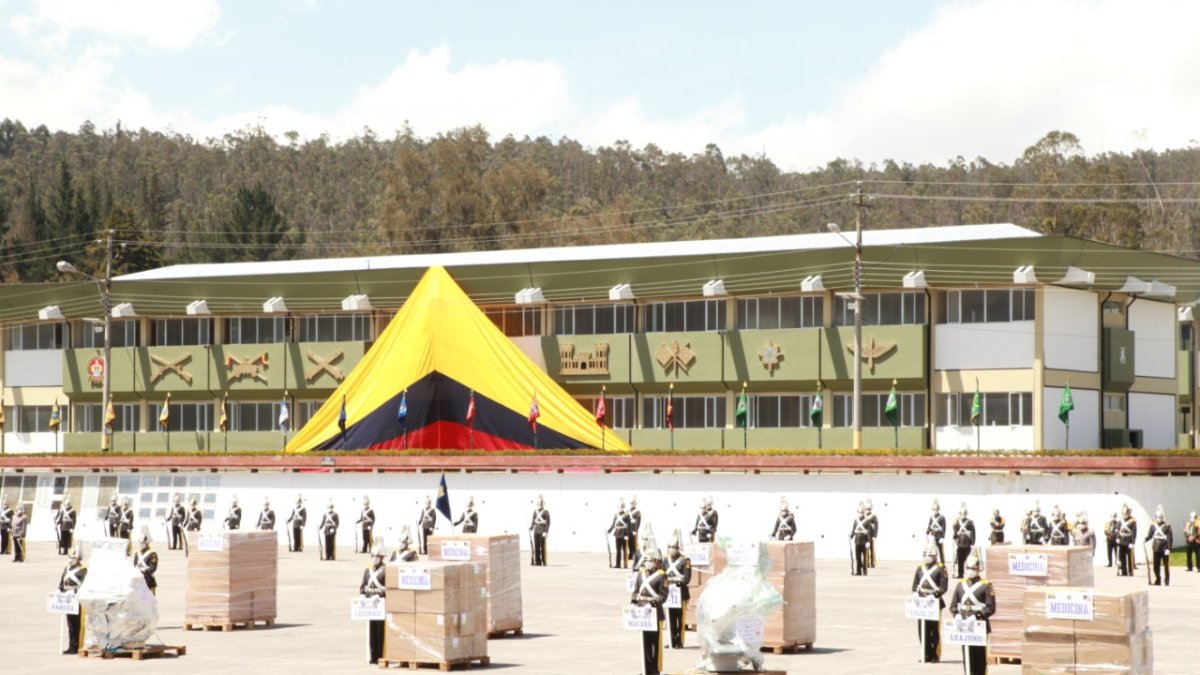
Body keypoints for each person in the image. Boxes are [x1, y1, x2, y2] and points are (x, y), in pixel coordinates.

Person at [948, 553, 996, 675]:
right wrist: (956, 615)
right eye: (968, 568)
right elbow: (953, 605)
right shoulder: (960, 585)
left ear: (979, 569)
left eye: (973, 568)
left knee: (979, 657)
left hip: (979, 625)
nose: (970, 571)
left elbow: (991, 607)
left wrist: (976, 616)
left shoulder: (986, 585)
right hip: (965, 626)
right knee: (967, 656)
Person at [629, 545, 668, 675]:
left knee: (655, 642)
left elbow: (663, 595)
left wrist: (652, 603)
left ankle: (655, 669)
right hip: (642, 612)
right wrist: (633, 602)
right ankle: (646, 669)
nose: (647, 563)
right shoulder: (641, 574)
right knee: (644, 642)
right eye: (646, 560)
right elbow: (635, 591)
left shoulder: (662, 575)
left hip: (655, 613)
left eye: (650, 560)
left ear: (656, 561)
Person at [911, 541, 948, 663]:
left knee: (934, 630)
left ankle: (935, 655)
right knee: (922, 630)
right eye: (925, 555)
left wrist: (934, 595)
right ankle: (925, 654)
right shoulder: (920, 568)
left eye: (930, 555)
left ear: (935, 556)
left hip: (934, 602)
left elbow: (943, 587)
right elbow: (915, 585)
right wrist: (915, 593)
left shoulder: (941, 568)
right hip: (921, 603)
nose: (927, 557)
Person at [663, 532, 692, 649]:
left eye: (673, 547)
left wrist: (676, 583)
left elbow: (687, 578)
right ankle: (672, 640)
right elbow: (662, 575)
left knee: (680, 618)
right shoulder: (665, 560)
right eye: (670, 547)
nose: (671, 550)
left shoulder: (685, 560)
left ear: (678, 548)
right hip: (669, 593)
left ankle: (679, 641)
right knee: (670, 617)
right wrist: (666, 585)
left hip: (680, 592)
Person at [360, 544, 387, 664]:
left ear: (382, 557)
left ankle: (380, 655)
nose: (374, 558)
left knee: (380, 632)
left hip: (381, 603)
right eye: (373, 556)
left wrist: (380, 595)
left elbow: (389, 588)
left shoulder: (386, 570)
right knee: (371, 631)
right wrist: (362, 595)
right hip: (370, 604)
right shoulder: (367, 570)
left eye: (377, 556)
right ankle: (373, 656)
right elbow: (363, 586)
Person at [58, 548, 88, 654]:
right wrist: (59, 590)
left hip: (78, 600)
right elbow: (63, 581)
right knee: (70, 625)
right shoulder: (67, 569)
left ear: (79, 558)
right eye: (70, 557)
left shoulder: (83, 570)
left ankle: (78, 646)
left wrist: (74, 591)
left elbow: (85, 584)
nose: (71, 560)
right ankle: (72, 646)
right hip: (68, 600)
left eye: (73, 557)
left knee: (78, 624)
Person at [1144, 505, 1172, 586]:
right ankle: (1158, 579)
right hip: (1156, 547)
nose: (1159, 518)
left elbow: (1169, 537)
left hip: (1164, 547)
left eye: (1161, 517)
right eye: (1158, 517)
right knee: (1155, 566)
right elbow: (1150, 535)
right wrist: (1145, 539)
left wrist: (1169, 548)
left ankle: (1166, 580)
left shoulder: (1167, 525)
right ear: (1155, 517)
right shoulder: (1153, 525)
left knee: (1166, 566)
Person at [951, 504, 976, 578]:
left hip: (967, 543)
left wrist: (972, 541)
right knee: (960, 561)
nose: (963, 515)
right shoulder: (957, 522)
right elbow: (955, 531)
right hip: (959, 543)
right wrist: (954, 537)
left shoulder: (970, 522)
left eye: (964, 513)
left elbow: (973, 532)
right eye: (961, 513)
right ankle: (960, 574)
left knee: (969, 560)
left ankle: (969, 574)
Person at [608, 498, 631, 569]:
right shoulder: (616, 515)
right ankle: (618, 564)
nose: (620, 508)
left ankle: (625, 564)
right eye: (619, 507)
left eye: (621, 507)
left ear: (623, 507)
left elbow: (628, 525)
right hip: (617, 533)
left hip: (624, 534)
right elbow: (613, 524)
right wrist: (609, 530)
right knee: (618, 550)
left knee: (625, 550)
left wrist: (627, 534)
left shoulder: (627, 515)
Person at [850, 502, 870, 576]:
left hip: (864, 542)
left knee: (864, 558)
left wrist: (868, 541)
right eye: (859, 512)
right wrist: (851, 536)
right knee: (858, 558)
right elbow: (853, 530)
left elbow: (869, 532)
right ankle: (858, 571)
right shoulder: (856, 521)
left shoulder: (867, 521)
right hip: (857, 541)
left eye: (861, 512)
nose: (860, 514)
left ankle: (865, 571)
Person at [1117, 504, 1137, 577]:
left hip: (1128, 541)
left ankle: (1131, 571)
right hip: (1122, 540)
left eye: (1126, 513)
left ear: (1129, 513)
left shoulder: (1132, 521)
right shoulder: (1120, 521)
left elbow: (1134, 532)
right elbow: (1118, 530)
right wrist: (1117, 538)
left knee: (1130, 557)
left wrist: (1132, 542)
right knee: (1122, 557)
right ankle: (1124, 571)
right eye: (1124, 513)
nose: (1125, 515)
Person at [529, 495, 550, 566]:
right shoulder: (535, 512)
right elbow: (533, 521)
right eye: (538, 503)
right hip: (536, 531)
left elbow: (548, 522)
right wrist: (531, 527)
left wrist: (546, 531)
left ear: (543, 504)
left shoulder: (546, 512)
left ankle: (544, 561)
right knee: (536, 546)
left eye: (541, 503)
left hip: (542, 531)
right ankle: (537, 561)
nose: (540, 504)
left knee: (543, 547)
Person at [864, 499, 879, 567]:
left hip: (871, 535)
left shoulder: (874, 517)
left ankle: (872, 563)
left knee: (872, 550)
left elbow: (876, 527)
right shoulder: (863, 516)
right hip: (864, 536)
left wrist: (875, 536)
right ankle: (866, 563)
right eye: (866, 509)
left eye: (869, 509)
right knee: (865, 550)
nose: (868, 510)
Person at [628, 496, 642, 563]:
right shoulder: (628, 511)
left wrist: (636, 530)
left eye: (632, 504)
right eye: (630, 503)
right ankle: (630, 554)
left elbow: (638, 521)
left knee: (634, 543)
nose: (631, 505)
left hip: (634, 528)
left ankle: (635, 555)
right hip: (629, 529)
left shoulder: (637, 512)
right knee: (629, 543)